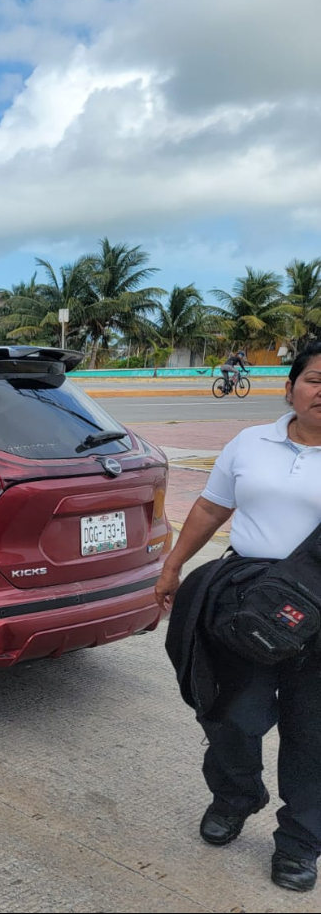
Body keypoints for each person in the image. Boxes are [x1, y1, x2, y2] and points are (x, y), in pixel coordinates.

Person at [155, 340, 321, 892]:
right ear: (291, 385)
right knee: (229, 713)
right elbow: (210, 505)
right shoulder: (251, 442)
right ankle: (235, 795)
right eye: (316, 379)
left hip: (319, 613)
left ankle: (300, 841)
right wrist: (174, 565)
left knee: (312, 733)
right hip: (247, 603)